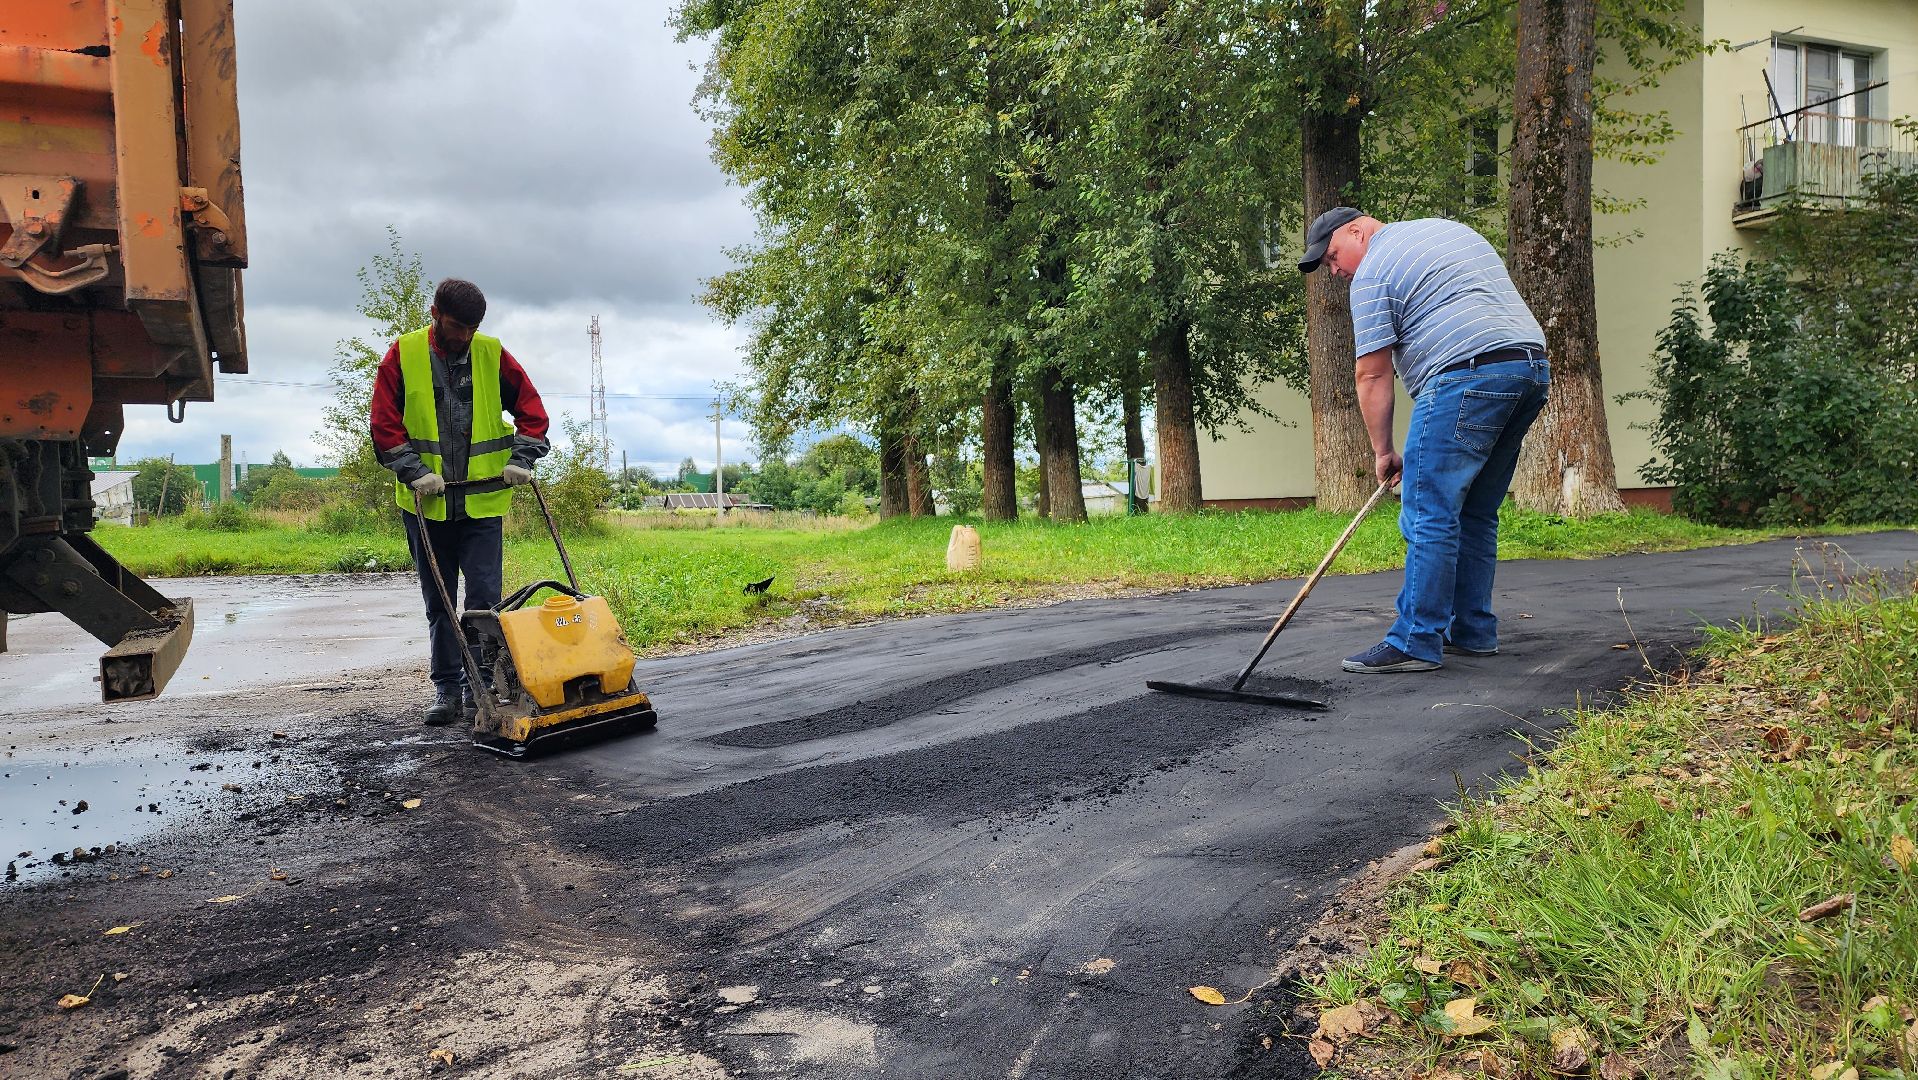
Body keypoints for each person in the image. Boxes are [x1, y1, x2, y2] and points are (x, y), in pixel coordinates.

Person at [1297, 207, 1550, 674]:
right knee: (1475, 510)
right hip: (1528, 370)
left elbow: (1371, 374)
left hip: (1465, 376)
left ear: (1358, 229)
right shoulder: (1446, 230)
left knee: (1429, 508)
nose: (1335, 271)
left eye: (1333, 256)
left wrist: (1382, 452)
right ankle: (1472, 632)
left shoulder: (1372, 271)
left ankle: (1415, 639)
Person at [370, 279, 550, 724]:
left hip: (482, 507)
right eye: (456, 326)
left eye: (472, 328)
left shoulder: (491, 353)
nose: (464, 336)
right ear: (435, 314)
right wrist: (415, 471)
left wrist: (522, 457)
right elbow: (384, 424)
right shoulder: (404, 354)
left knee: (485, 603)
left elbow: (533, 412)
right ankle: (447, 691)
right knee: (441, 602)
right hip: (427, 508)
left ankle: (480, 689)